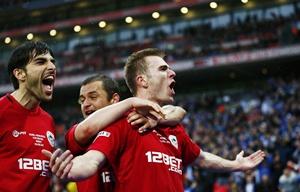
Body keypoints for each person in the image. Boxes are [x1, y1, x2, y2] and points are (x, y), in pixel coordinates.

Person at [44, 48, 265, 192]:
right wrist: (71, 168)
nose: (172, 73)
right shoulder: (123, 122)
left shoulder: (173, 127)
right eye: (163, 69)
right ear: (142, 80)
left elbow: (201, 157)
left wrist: (236, 165)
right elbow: (92, 160)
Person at [63, 74, 187, 192]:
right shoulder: (77, 133)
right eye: (82, 100)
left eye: (93, 97)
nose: (86, 104)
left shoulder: (131, 122)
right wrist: (130, 102)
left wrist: (158, 119)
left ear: (114, 99)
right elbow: (87, 129)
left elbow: (176, 110)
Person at [0, 41, 56, 192]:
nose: (52, 67)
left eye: (52, 62)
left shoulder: (48, 120)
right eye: (40, 62)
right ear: (20, 74)